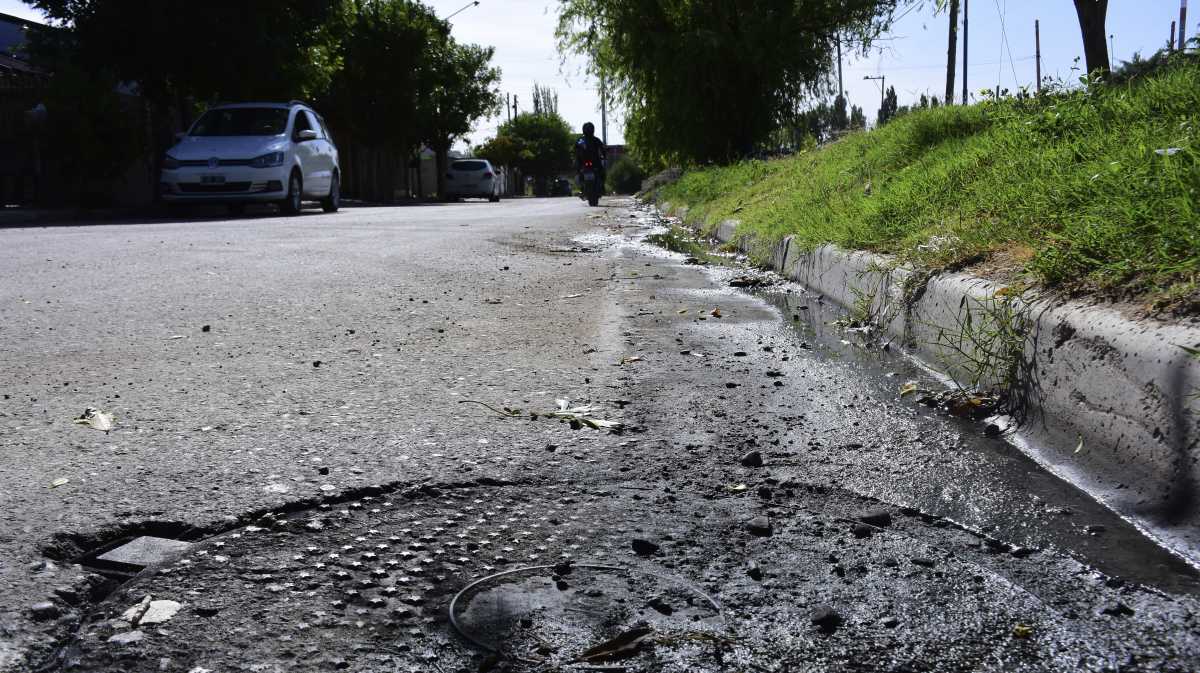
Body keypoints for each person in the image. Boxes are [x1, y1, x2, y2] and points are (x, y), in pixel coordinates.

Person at [574, 122, 606, 197]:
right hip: (588, 162)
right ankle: (583, 188)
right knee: (601, 172)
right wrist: (604, 156)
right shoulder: (592, 140)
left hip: (589, 162)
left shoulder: (581, 140)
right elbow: (575, 149)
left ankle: (599, 187)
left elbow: (602, 149)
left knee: (602, 172)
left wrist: (604, 156)